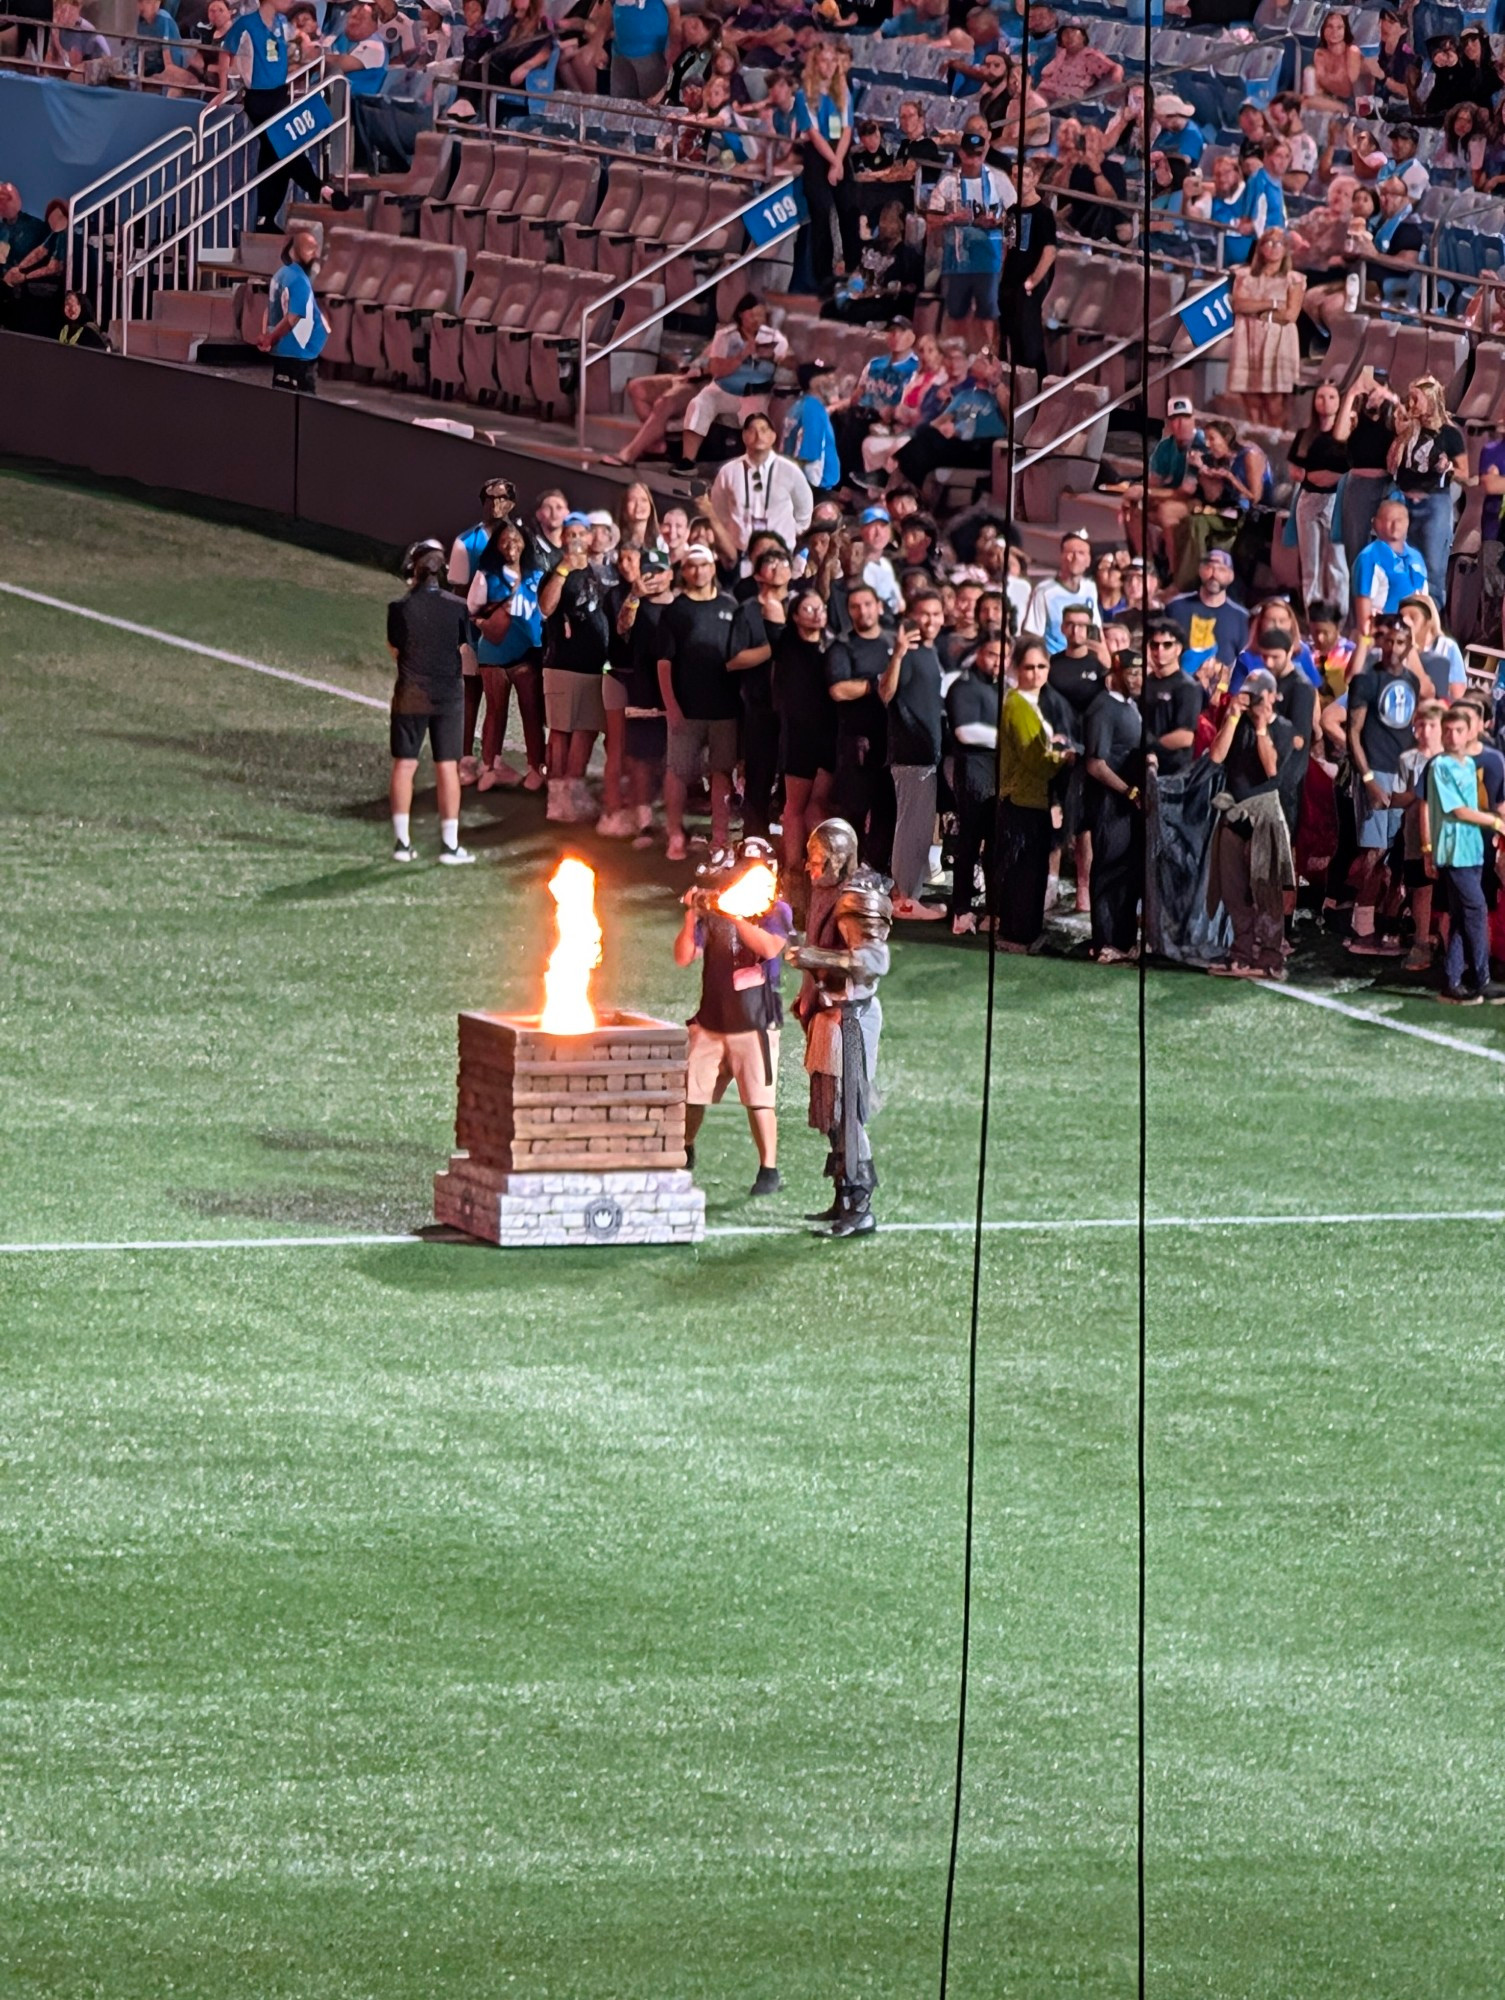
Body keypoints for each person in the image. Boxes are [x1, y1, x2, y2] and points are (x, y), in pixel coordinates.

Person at [788, 818, 893, 1237]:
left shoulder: (856, 899)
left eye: (818, 861)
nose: (811, 869)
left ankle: (860, 1206)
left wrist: (817, 959)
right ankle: (841, 1196)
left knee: (848, 1114)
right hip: (829, 1015)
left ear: (838, 858)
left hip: (852, 1018)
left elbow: (873, 961)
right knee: (831, 1111)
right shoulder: (825, 894)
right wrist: (807, 995)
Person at [674, 837, 791, 1194]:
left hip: (754, 1022)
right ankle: (685, 1148)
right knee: (692, 1092)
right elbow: (683, 956)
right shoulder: (716, 908)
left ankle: (768, 1169)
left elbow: (769, 948)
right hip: (711, 1020)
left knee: (759, 1099)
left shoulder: (777, 912)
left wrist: (734, 916)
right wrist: (692, 913)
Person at [386, 539, 474, 865]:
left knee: (405, 764)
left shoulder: (399, 608)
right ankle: (449, 846)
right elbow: (465, 646)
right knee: (447, 767)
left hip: (410, 693)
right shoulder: (457, 607)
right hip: (448, 694)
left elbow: (395, 649)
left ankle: (401, 843)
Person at [1205, 669, 1294, 979]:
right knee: (1233, 891)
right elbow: (1216, 757)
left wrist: (1259, 726)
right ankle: (1241, 952)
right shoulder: (1235, 722)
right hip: (1233, 815)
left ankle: (1270, 956)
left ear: (1271, 696)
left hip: (1265, 817)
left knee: (1266, 892)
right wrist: (1231, 716)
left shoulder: (1282, 728)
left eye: (1259, 693)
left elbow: (1271, 768)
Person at [657, 542, 740, 859]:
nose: (697, 571)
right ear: (685, 572)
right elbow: (664, 663)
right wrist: (672, 708)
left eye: (703, 565)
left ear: (713, 568)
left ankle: (720, 839)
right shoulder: (675, 611)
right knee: (677, 771)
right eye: (691, 566)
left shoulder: (730, 607)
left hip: (724, 710)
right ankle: (675, 834)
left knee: (721, 773)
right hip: (687, 711)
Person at [1347, 611, 1422, 953]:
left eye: (1400, 642)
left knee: (1400, 856)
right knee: (1374, 853)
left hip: (1405, 776)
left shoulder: (1413, 681)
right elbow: (1353, 733)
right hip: (1376, 772)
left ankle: (1387, 923)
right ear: (1380, 642)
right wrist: (1368, 779)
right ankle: (1361, 926)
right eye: (1388, 640)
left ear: (1409, 646)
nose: (1393, 647)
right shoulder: (1365, 681)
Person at [223, 0, 332, 232]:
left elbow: (291, 52)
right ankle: (318, 188)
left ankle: (266, 217)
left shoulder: (282, 23)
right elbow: (227, 52)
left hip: (280, 94)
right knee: (283, 146)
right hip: (259, 98)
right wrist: (223, 90)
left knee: (273, 157)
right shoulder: (247, 24)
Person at [996, 633, 1073, 950]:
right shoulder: (1018, 705)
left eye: (1042, 666)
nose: (1036, 673)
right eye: (1029, 667)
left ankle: (1021, 932)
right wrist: (1064, 757)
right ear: (1016, 668)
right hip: (1022, 800)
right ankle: (1017, 936)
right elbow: (1035, 759)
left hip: (1029, 798)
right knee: (1025, 874)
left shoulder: (1029, 703)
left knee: (1029, 871)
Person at [1425, 706, 1505, 1004]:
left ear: (1472, 731)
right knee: (1476, 910)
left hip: (1472, 850)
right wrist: (1496, 822)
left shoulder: (1469, 765)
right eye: (1448, 730)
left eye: (1459, 730)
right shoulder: (1440, 766)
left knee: (1461, 916)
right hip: (1453, 851)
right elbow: (1458, 810)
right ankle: (1482, 979)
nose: (1452, 736)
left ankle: (1453, 980)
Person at [536, 514, 611, 823]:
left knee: (585, 731)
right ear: (563, 539)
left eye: (582, 532)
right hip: (563, 665)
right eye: (571, 534)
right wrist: (564, 569)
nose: (577, 538)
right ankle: (557, 799)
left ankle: (573, 792)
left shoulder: (599, 574)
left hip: (594, 667)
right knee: (561, 732)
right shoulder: (555, 573)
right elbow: (545, 607)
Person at [465, 519, 546, 795]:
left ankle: (536, 768)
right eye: (504, 541)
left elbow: (546, 611)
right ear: (496, 545)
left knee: (531, 712)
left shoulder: (537, 576)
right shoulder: (487, 576)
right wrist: (485, 625)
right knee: (495, 710)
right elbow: (472, 610)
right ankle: (490, 766)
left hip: (528, 653)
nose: (511, 545)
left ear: (525, 542)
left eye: (516, 540)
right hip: (495, 653)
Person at [879, 592, 946, 919]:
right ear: (912, 617)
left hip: (927, 754)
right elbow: (886, 693)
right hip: (911, 755)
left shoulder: (933, 653)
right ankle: (905, 898)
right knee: (911, 829)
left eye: (936, 614)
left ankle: (908, 893)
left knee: (919, 828)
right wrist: (898, 654)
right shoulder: (907, 653)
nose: (931, 620)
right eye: (925, 614)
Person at [925, 117, 1016, 350]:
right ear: (962, 155)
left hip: (989, 259)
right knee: (956, 314)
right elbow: (931, 219)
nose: (975, 159)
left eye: (979, 154)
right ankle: (956, 355)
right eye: (971, 154)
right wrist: (951, 219)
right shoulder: (948, 183)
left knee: (987, 315)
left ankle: (989, 359)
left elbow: (1016, 215)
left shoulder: (998, 180)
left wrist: (997, 223)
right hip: (957, 259)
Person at [826, 583, 896, 871]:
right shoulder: (842, 647)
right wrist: (877, 683)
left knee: (887, 811)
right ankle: (847, 872)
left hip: (893, 741)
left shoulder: (894, 642)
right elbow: (838, 690)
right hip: (857, 743)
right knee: (853, 810)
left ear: (879, 606)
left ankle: (877, 871)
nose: (862, 610)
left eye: (867, 604)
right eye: (855, 606)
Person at [1083, 648, 1146, 963]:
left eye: (1140, 673)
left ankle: (1121, 941)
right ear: (1117, 671)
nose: (1137, 679)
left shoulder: (1131, 705)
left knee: (1128, 870)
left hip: (1127, 804)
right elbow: (1095, 764)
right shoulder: (1104, 708)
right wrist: (1128, 791)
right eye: (1132, 673)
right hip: (1111, 803)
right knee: (1110, 868)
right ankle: (1106, 942)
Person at [1387, 374, 1467, 606]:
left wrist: (1449, 467)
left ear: (1431, 400)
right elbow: (1391, 465)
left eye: (1416, 399)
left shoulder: (1450, 434)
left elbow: (1466, 474)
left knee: (1432, 568)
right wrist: (1400, 435)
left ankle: (1434, 622)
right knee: (1402, 565)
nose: (1411, 404)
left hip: (1433, 505)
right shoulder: (1410, 430)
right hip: (1404, 502)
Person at [945, 634, 1001, 934]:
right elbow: (965, 732)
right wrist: (1009, 738)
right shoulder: (964, 687)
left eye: (1002, 656)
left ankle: (994, 911)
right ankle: (962, 910)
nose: (997, 661)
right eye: (992, 654)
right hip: (974, 772)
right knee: (969, 843)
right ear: (980, 653)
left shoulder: (1003, 688)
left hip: (999, 772)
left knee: (994, 844)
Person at [706, 411, 814, 565]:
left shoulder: (789, 470)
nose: (758, 435)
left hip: (779, 553)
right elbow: (719, 508)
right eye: (752, 430)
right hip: (741, 553)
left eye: (764, 430)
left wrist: (790, 532)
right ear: (744, 436)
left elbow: (804, 507)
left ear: (773, 436)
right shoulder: (729, 471)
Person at [1227, 228, 1304, 428]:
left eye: (1278, 243)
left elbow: (1289, 315)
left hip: (1278, 341)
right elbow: (1238, 305)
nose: (1273, 247)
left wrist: (1258, 310)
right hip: (1248, 337)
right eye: (1268, 242)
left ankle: (1274, 444)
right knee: (1250, 397)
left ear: (1286, 249)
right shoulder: (1244, 274)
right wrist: (1272, 303)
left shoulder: (1294, 279)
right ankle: (1256, 440)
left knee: (1274, 401)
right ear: (1260, 247)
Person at [1288, 381, 1349, 618]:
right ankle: (1313, 617)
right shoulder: (1306, 435)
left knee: (1336, 563)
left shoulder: (1344, 436)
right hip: (1310, 498)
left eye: (1332, 397)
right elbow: (1297, 469)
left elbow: (1348, 471)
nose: (1326, 402)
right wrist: (1313, 475)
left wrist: (1328, 476)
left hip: (1335, 500)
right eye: (1321, 397)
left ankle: (1338, 617)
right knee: (1310, 564)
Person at [997, 156, 1055, 377]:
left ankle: (1038, 386)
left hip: (1028, 284)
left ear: (1034, 179)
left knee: (1029, 340)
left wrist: (1033, 280)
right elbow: (1006, 247)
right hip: (1009, 281)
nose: (1019, 180)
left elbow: (1049, 251)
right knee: (1009, 335)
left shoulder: (1044, 214)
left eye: (1025, 175)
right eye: (1015, 175)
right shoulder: (1011, 212)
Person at [255, 229, 327, 393]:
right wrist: (270, 338)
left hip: (283, 349)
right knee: (301, 399)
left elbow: (269, 309)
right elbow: (291, 318)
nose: (315, 254)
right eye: (310, 248)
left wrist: (266, 335)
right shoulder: (299, 281)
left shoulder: (280, 275)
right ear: (294, 252)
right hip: (298, 350)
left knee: (281, 393)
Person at [1167, 548, 1249, 687]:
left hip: (1221, 692)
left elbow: (1244, 664)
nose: (1214, 574)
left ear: (1231, 576)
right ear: (1200, 570)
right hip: (1179, 688)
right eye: (1209, 567)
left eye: (1221, 569)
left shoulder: (1241, 617)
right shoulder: (1176, 607)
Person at [1351, 499, 1429, 639]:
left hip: (1413, 638)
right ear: (1376, 523)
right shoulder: (1369, 558)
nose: (1395, 525)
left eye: (1400, 519)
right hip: (1380, 639)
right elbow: (1364, 616)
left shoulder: (1416, 557)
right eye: (1388, 520)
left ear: (1407, 522)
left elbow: (1424, 603)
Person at [1025, 528, 1099, 656]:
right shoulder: (1044, 591)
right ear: (1062, 557)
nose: (1075, 558)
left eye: (1081, 553)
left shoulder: (1090, 588)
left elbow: (1096, 629)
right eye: (1070, 553)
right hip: (1054, 660)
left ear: (1088, 560)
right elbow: (1033, 634)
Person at [783, 361, 842, 496]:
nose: (831, 380)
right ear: (813, 383)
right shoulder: (813, 409)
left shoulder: (799, 405)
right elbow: (809, 455)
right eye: (825, 375)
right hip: (814, 486)